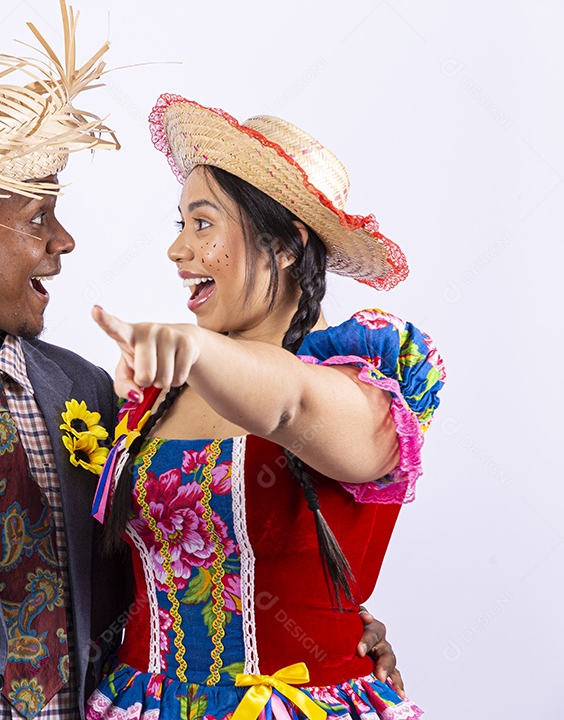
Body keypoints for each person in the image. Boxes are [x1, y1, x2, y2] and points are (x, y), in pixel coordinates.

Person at [0, 10, 406, 720]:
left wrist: (331, 642)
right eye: (37, 219)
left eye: (200, 223)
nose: (64, 241)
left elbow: (144, 570)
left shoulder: (83, 389)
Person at [82, 94, 445, 720]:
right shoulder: (158, 395)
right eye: (180, 226)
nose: (178, 250)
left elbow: (287, 403)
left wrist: (191, 347)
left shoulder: (365, 385)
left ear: (284, 245)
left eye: (203, 224)